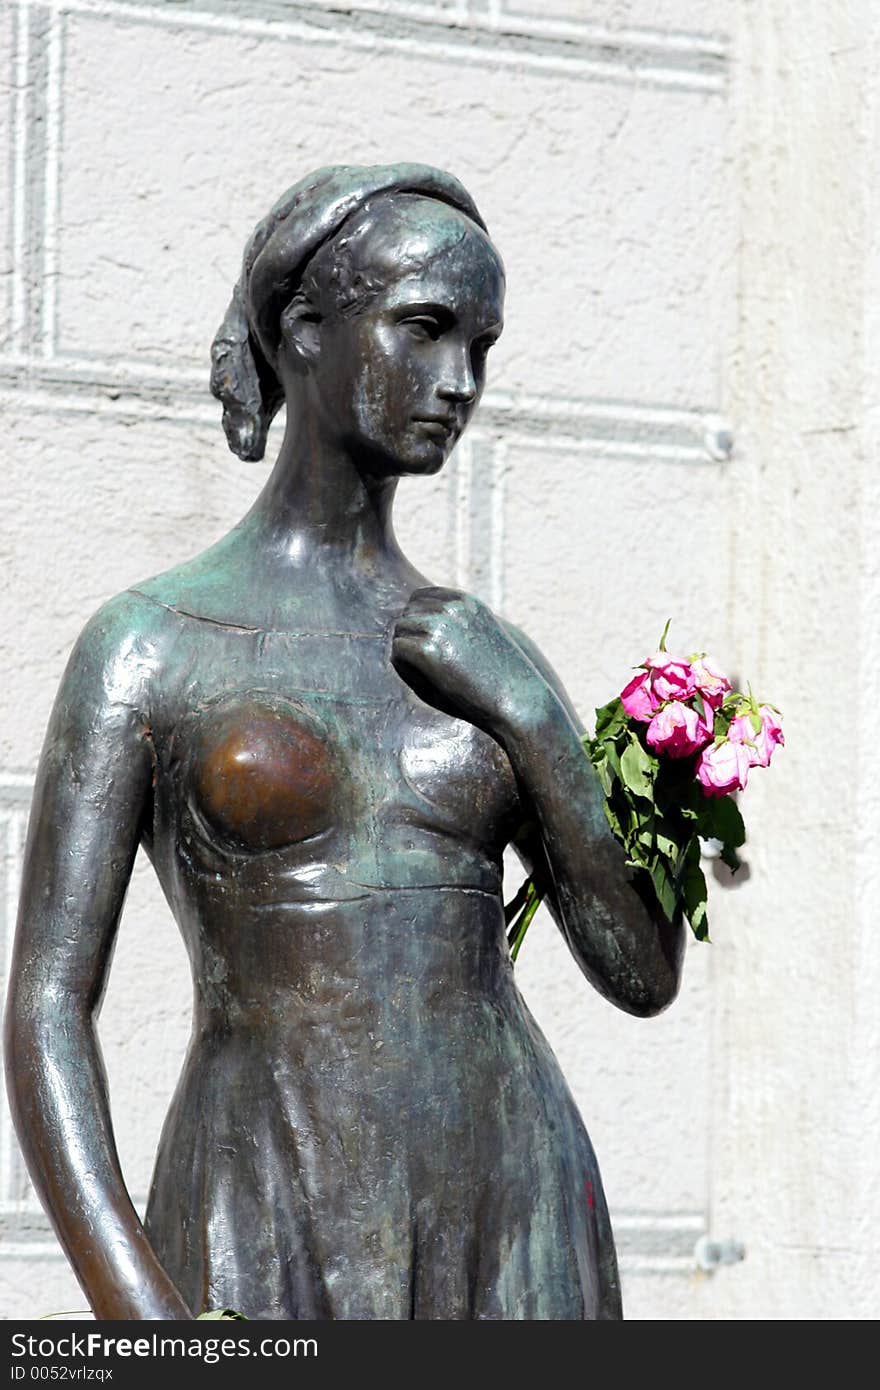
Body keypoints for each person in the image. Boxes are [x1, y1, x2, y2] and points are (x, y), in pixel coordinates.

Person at [4, 164, 685, 1320]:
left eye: (480, 343)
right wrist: (137, 1308)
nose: (459, 380)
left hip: (507, 1189)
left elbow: (639, 971)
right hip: (265, 1182)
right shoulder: (150, 644)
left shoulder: (483, 655)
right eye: (423, 329)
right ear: (304, 331)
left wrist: (530, 713)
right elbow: (47, 1006)